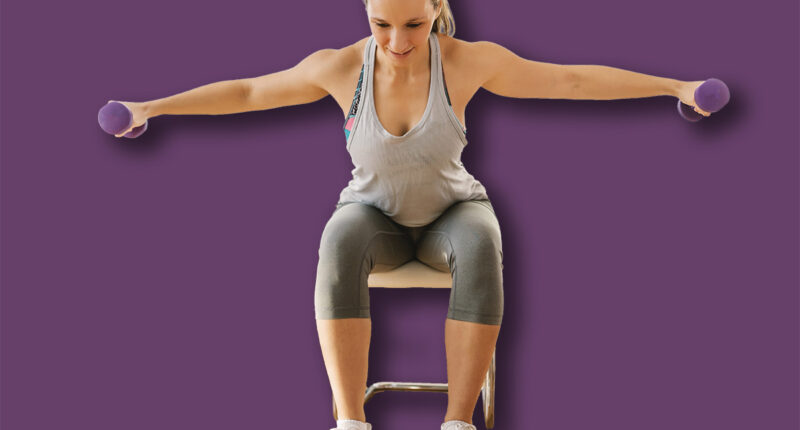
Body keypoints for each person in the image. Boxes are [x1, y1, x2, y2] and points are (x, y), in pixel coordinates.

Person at [109, 1, 713, 429]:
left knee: (481, 241)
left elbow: (572, 80)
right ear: (365, 15)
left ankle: (457, 424)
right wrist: (151, 108)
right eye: (382, 24)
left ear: (437, 9)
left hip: (454, 212)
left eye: (415, 24)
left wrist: (675, 86)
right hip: (374, 217)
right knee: (339, 237)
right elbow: (247, 93)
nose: (397, 40)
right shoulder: (340, 67)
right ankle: (350, 420)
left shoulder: (468, 61)